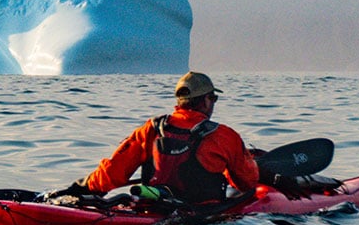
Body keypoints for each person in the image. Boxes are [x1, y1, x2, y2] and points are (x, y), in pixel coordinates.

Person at [57, 72, 304, 205]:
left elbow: (112, 176)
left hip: (151, 210)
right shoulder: (224, 136)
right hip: (203, 222)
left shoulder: (151, 129)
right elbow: (245, 183)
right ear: (206, 100)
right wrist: (251, 166)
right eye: (213, 99)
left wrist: (78, 189)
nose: (213, 104)